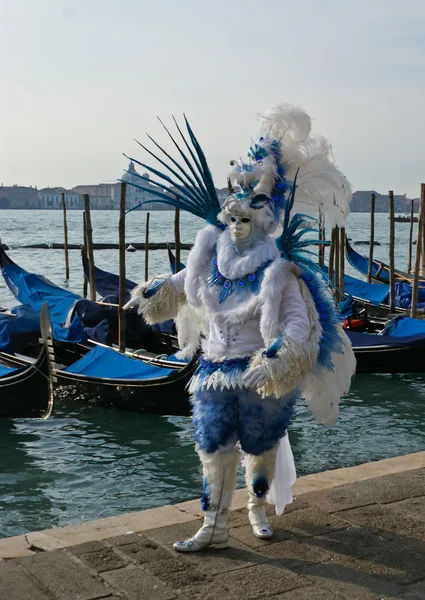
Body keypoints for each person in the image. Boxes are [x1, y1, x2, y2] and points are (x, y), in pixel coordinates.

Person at [125, 103, 356, 552]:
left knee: (260, 443)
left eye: (253, 203)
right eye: (237, 202)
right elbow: (184, 284)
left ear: (267, 214)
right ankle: (213, 525)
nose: (239, 214)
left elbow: (295, 320)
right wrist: (158, 291)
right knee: (212, 447)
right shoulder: (210, 253)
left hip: (259, 370)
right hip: (214, 366)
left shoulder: (277, 269)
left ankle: (256, 507)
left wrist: (282, 352)